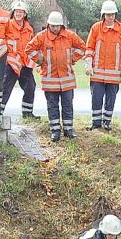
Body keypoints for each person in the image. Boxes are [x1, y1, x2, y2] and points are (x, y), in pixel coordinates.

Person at [25, 11, 86, 142]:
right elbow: (29, 49)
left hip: (67, 79)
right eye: (53, 26)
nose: (55, 28)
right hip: (49, 79)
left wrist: (72, 59)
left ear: (61, 25)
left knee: (67, 104)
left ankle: (68, 129)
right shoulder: (41, 36)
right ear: (48, 25)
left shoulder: (70, 36)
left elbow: (82, 47)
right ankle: (55, 130)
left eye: (58, 26)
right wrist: (39, 59)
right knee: (52, 105)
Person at [84, 0, 121, 131]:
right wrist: (88, 64)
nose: (110, 17)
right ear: (103, 15)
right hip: (97, 73)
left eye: (113, 14)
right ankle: (96, 122)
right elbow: (89, 48)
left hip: (114, 73)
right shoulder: (96, 28)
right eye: (108, 14)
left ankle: (107, 122)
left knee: (111, 99)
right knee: (96, 98)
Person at [1, 0, 38, 119]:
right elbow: (2, 41)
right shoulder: (7, 25)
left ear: (25, 14)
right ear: (13, 13)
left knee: (31, 87)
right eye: (16, 11)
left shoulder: (29, 28)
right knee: (5, 89)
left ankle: (27, 114)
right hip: (11, 64)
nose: (18, 14)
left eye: (21, 12)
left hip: (25, 64)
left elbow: (32, 45)